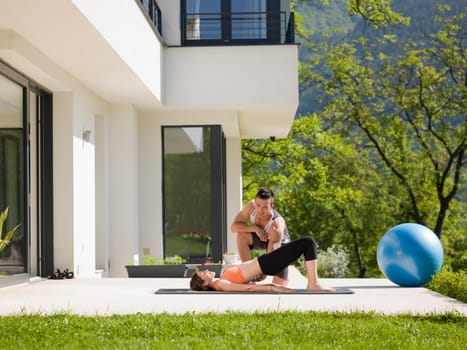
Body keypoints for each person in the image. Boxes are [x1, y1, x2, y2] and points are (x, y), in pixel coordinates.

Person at [190, 236, 335, 292]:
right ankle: (313, 284)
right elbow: (248, 288)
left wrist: (254, 276)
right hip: (267, 263)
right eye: (203, 273)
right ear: (204, 283)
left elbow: (246, 279)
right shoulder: (221, 284)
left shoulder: (221, 280)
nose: (207, 270)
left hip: (265, 264)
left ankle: (313, 283)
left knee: (306, 244)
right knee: (308, 242)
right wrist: (273, 288)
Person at [231, 188, 290, 285]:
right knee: (241, 234)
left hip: (279, 245)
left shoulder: (276, 225)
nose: (260, 210)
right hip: (261, 236)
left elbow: (272, 256)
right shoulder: (251, 206)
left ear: (272, 206)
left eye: (265, 207)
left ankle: (285, 277)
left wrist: (263, 270)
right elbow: (234, 227)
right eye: (258, 205)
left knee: (279, 285)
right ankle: (247, 273)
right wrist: (255, 229)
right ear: (255, 202)